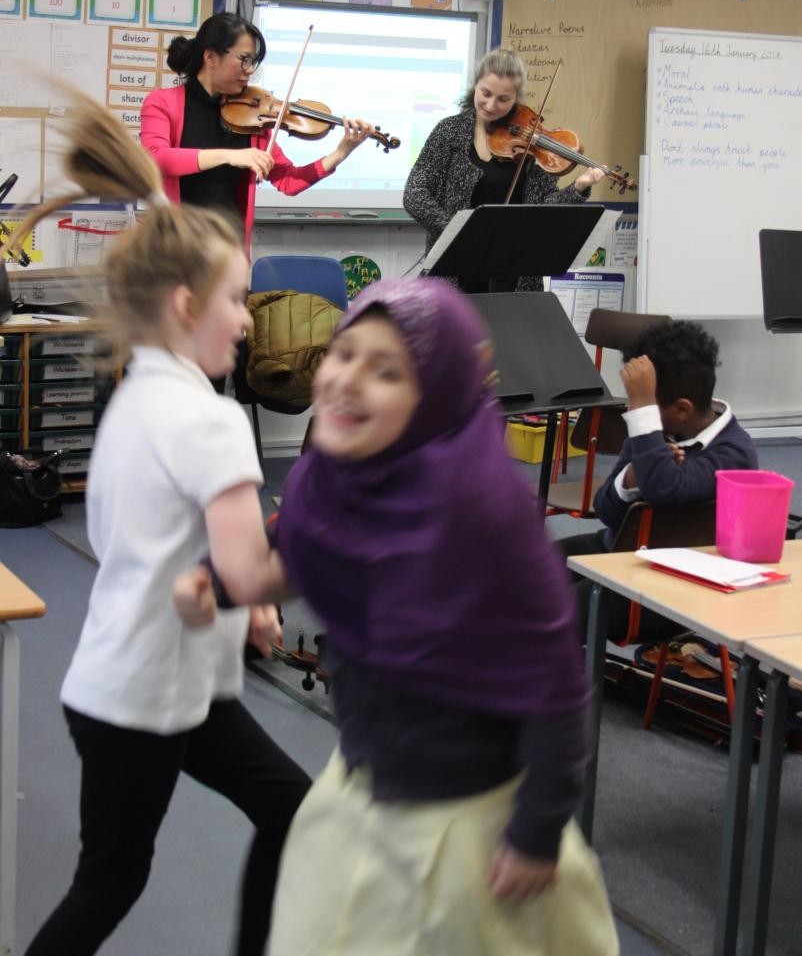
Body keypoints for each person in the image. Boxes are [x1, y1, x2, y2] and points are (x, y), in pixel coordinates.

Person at [176, 278, 620, 956]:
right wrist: (222, 587)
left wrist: (534, 833)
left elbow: (557, 687)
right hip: (363, 784)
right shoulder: (331, 474)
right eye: (343, 353)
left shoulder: (480, 513)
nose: (347, 380)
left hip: (467, 821)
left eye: (386, 371)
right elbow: (299, 549)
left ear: (432, 397)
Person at [8, 88, 311, 956]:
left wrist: (237, 597)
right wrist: (322, 545)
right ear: (186, 306)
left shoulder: (135, 399)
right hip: (146, 699)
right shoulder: (211, 420)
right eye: (240, 301)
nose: (249, 322)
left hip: (147, 683)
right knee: (112, 880)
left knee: (289, 811)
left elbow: (168, 548)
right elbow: (247, 568)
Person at [561, 319, 759, 639]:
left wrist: (644, 416)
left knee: (545, 616)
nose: (631, 409)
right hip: (620, 551)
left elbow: (664, 487)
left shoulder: (735, 456)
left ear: (682, 409)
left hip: (669, 587)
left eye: (641, 406)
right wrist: (630, 476)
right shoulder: (658, 432)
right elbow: (607, 511)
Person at [139, 11, 372, 254]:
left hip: (228, 256)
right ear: (210, 56)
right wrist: (231, 155)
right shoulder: (162, 103)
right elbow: (158, 158)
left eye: (253, 62)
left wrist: (341, 152)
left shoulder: (249, 115)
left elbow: (288, 180)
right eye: (244, 59)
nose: (249, 70)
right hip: (176, 253)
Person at [402, 47, 605, 290]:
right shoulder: (449, 131)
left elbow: (544, 209)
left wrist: (579, 188)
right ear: (475, 85)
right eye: (485, 93)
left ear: (516, 98)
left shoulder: (530, 144)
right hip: (453, 274)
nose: (490, 105)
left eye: (503, 99)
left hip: (515, 277)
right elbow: (415, 193)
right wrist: (456, 234)